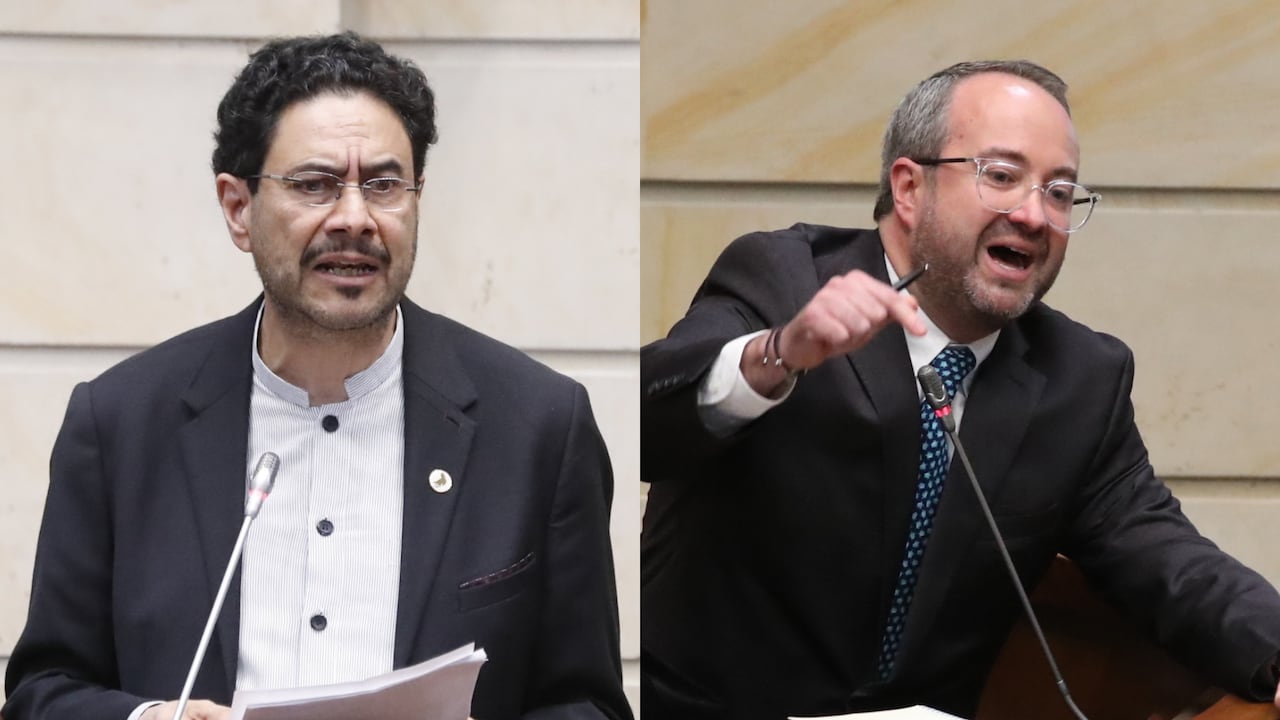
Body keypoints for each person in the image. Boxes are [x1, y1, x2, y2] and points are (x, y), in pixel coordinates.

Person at [3, 32, 631, 720]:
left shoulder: (539, 426)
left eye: (385, 185)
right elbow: (43, 691)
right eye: (315, 185)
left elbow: (588, 705)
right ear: (239, 209)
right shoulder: (120, 423)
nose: (355, 218)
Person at [640, 59, 1280, 720]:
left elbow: (1169, 561)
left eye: (1060, 191)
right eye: (1001, 177)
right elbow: (639, 428)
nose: (1035, 214)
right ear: (910, 187)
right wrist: (774, 356)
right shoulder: (784, 279)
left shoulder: (1081, 377)